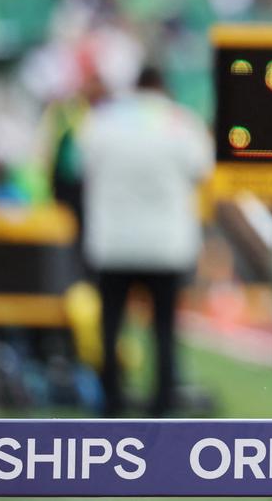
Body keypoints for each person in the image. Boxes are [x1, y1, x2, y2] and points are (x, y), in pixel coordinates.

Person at [78, 66, 213, 416]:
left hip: (113, 241)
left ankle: (111, 401)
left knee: (110, 326)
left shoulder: (102, 120)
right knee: (164, 329)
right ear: (163, 86)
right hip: (166, 243)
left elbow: (81, 167)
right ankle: (162, 405)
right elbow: (203, 170)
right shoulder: (181, 122)